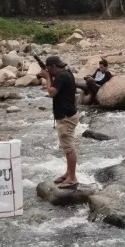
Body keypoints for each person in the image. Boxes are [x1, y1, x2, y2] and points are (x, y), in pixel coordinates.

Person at [40, 56, 79, 189]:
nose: (49, 72)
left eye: (49, 69)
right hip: (68, 114)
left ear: (53, 67)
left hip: (66, 116)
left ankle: (72, 178)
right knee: (66, 147)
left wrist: (47, 78)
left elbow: (51, 92)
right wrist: (49, 76)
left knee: (69, 147)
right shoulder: (65, 73)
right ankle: (68, 173)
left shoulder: (62, 76)